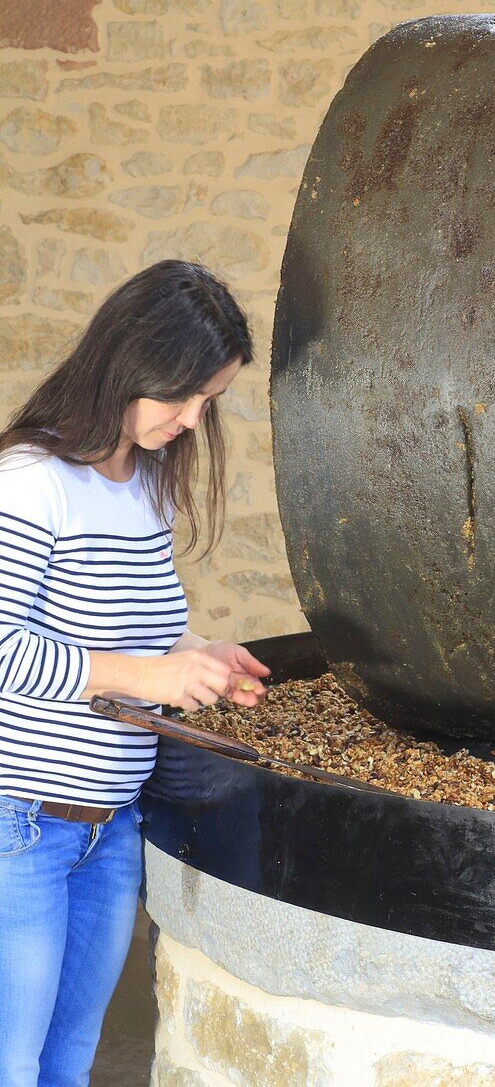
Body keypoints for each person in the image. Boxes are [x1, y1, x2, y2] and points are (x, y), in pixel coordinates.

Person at [0, 259, 271, 1086]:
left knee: (69, 1063)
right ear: (128, 364)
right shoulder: (31, 483)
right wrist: (145, 679)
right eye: (182, 396)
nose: (193, 419)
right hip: (21, 828)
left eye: (210, 401)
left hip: (110, 827)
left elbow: (137, 627)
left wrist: (197, 655)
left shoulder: (145, 483)